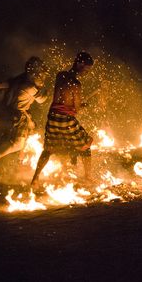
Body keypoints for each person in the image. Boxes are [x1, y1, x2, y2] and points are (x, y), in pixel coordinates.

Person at [31, 52, 94, 187]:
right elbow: (75, 109)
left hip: (52, 117)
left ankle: (35, 179)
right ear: (80, 64)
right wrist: (83, 105)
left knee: (48, 149)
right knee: (86, 145)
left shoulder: (60, 75)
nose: (87, 73)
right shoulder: (76, 84)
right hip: (66, 119)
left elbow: (61, 99)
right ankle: (88, 177)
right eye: (86, 69)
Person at [0, 56, 48, 174]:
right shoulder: (29, 87)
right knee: (18, 144)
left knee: (25, 139)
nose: (42, 77)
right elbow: (42, 100)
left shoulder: (19, 80)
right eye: (40, 73)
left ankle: (18, 165)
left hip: (14, 114)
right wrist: (48, 91)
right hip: (20, 116)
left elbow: (0, 85)